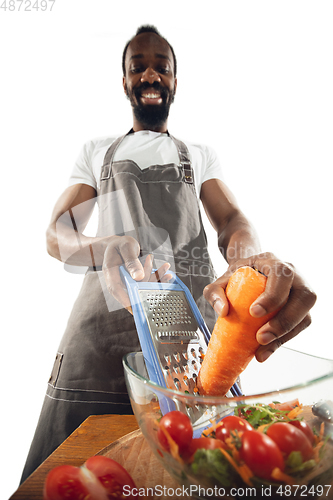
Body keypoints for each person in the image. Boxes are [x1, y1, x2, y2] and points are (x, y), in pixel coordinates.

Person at [20, 25, 316, 483]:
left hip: (188, 333)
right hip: (98, 331)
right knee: (70, 472)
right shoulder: (96, 152)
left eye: (162, 66)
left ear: (175, 80)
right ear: (125, 82)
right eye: (138, 67)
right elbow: (58, 234)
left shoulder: (198, 155)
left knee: (198, 469)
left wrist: (246, 264)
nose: (151, 74)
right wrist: (102, 247)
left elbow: (234, 220)